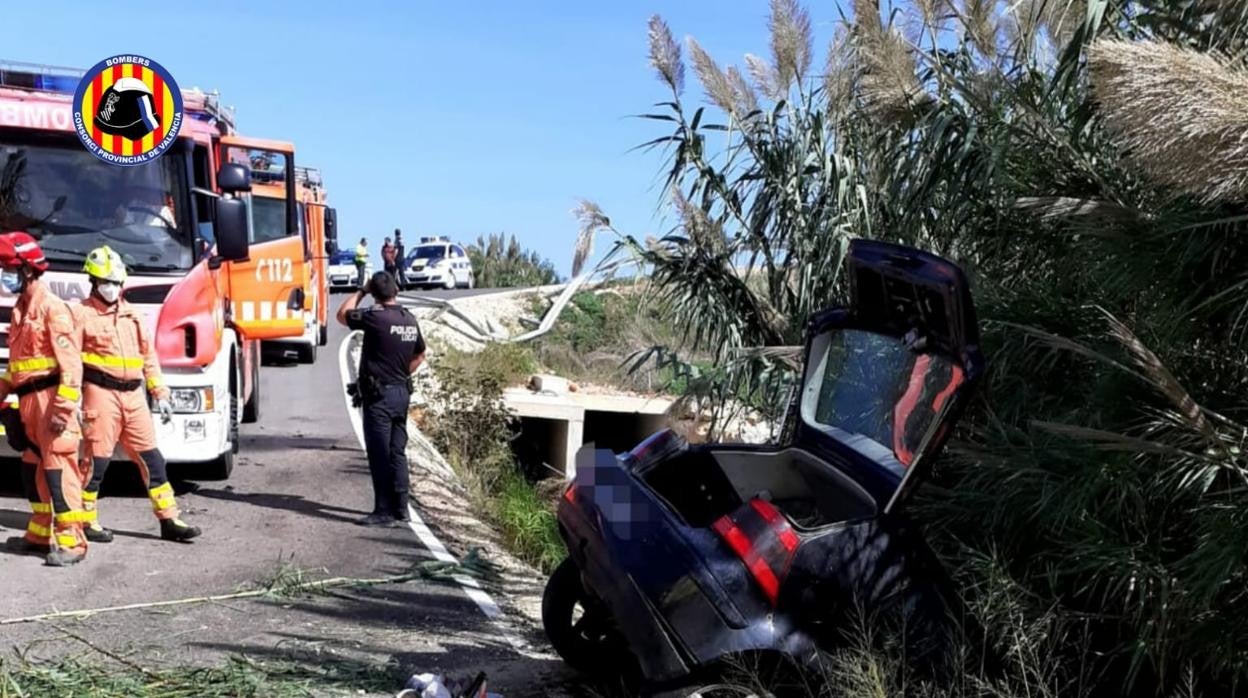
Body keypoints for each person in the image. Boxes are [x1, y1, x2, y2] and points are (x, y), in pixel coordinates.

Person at [77, 246, 201, 543]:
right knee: (96, 463)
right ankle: (84, 520)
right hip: (99, 394)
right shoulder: (80, 315)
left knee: (153, 461)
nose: (112, 288)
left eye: (117, 283)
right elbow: (68, 360)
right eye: (107, 282)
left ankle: (169, 519)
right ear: (93, 282)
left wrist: (160, 392)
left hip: (134, 397)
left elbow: (148, 357)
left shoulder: (131, 315)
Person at [0, 231, 88, 566]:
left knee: (58, 470)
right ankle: (39, 535)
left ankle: (73, 542)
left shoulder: (54, 310)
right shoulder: (20, 311)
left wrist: (63, 409)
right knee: (32, 470)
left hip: (51, 403)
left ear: (27, 270)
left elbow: (71, 367)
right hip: (28, 405)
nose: (3, 276)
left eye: (7, 269)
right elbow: (17, 368)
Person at [336, 271, 426, 526]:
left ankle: (383, 511)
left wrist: (361, 291)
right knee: (397, 452)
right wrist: (399, 373)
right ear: (396, 291)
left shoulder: (375, 318)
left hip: (380, 397)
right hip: (402, 393)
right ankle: (402, 508)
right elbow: (420, 355)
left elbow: (342, 315)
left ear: (375, 294)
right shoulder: (409, 318)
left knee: (379, 454)